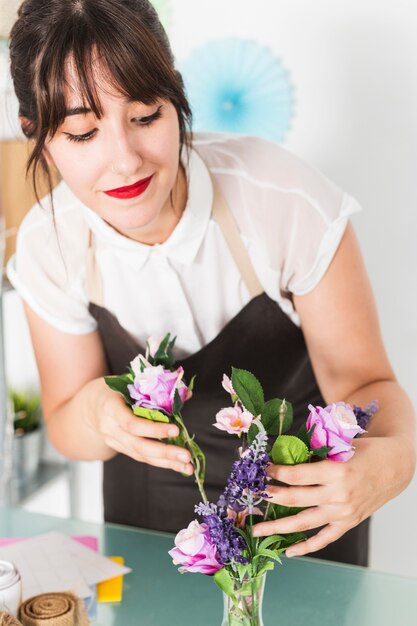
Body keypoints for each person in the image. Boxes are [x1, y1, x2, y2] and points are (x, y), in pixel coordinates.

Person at [7, 0, 416, 567]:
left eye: (146, 116)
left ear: (176, 96)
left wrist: (395, 459)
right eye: (82, 132)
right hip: (147, 528)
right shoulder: (47, 245)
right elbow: (67, 427)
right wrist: (94, 412)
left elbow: (366, 381)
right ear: (36, 134)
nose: (125, 161)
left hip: (301, 515)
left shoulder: (283, 199)